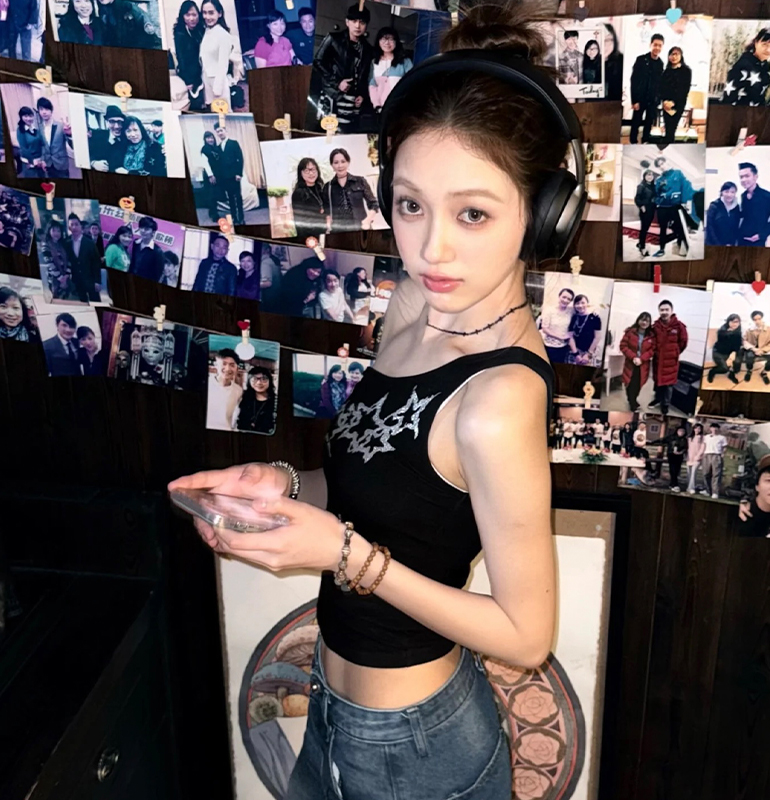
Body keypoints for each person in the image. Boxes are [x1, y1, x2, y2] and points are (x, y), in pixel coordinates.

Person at [170, 5, 574, 796]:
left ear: (545, 216)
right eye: (412, 204)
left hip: (419, 749)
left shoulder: (499, 398)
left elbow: (526, 637)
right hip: (331, 702)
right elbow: (382, 493)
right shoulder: (414, 308)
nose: (431, 248)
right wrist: (286, 489)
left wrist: (344, 557)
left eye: (473, 213)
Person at [312, 3, 374, 130]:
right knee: (327, 131)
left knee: (346, 132)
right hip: (333, 95)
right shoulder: (333, 39)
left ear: (366, 25)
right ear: (347, 22)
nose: (357, 26)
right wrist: (337, 83)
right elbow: (317, 62)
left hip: (353, 100)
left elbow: (365, 75)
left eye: (362, 22)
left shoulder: (368, 48)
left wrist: (362, 94)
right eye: (354, 21)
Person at [324, 147, 380, 232]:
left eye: (343, 161)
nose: (340, 165)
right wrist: (328, 223)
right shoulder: (328, 186)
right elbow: (326, 211)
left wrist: (368, 220)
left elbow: (374, 204)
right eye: (336, 162)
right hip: (339, 231)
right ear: (332, 165)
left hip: (361, 228)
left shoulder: (360, 181)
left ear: (348, 162)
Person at [721, 27, 770, 106]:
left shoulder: (767, 66)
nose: (768, 49)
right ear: (756, 43)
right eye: (764, 44)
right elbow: (728, 98)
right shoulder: (743, 64)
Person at [649, 300, 687, 415]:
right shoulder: (655, 326)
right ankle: (657, 399)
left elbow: (683, 342)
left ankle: (665, 405)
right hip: (658, 360)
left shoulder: (679, 326)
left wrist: (674, 353)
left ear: (671, 311)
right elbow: (652, 341)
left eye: (667, 310)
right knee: (658, 381)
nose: (664, 312)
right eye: (662, 310)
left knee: (668, 385)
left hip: (671, 361)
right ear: (659, 311)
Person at [652, 155, 694, 258]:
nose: (661, 166)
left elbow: (685, 187)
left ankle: (682, 247)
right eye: (659, 166)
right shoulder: (659, 179)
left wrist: (685, 201)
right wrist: (658, 202)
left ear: (667, 162)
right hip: (663, 207)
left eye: (662, 163)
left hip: (676, 206)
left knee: (680, 227)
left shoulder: (678, 173)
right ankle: (661, 249)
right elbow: (656, 193)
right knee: (662, 229)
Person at [200, 0, 240, 109]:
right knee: (213, 113)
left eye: (211, 13)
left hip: (218, 81)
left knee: (224, 114)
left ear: (220, 13)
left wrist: (217, 88)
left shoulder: (223, 35)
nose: (207, 17)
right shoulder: (207, 31)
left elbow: (223, 64)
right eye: (204, 12)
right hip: (206, 79)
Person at [629, 34, 664, 144]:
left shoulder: (660, 64)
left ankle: (645, 141)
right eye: (655, 45)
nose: (657, 47)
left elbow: (660, 83)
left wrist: (658, 99)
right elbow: (634, 80)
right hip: (640, 98)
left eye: (660, 45)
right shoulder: (641, 60)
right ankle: (633, 142)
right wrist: (634, 100)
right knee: (636, 122)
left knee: (649, 123)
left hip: (653, 100)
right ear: (650, 45)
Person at [368, 28, 413, 114]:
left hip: (400, 108)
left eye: (391, 39)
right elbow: (372, 85)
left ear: (396, 42)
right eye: (383, 39)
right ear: (378, 41)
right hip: (381, 109)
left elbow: (410, 83)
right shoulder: (375, 62)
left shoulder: (405, 61)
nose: (387, 43)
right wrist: (377, 105)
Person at [620, 311, 655, 412]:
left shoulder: (651, 335)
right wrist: (633, 357)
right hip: (631, 363)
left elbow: (652, 350)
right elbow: (623, 346)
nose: (644, 322)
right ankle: (632, 402)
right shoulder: (630, 332)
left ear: (649, 323)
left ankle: (633, 399)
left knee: (638, 384)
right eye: (642, 320)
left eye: (647, 321)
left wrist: (642, 359)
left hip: (643, 365)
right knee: (630, 383)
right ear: (638, 320)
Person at [173, 0, 205, 111]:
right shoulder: (179, 33)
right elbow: (181, 58)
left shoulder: (202, 29)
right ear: (182, 16)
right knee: (194, 106)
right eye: (188, 15)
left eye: (194, 15)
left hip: (202, 70)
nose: (191, 18)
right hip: (188, 73)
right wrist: (188, 81)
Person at [738, 162, 770, 247]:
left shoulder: (767, 196)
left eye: (747, 176)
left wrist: (761, 235)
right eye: (741, 177)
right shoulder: (743, 196)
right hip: (742, 239)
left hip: (757, 241)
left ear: (755, 177)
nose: (743, 180)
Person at [658, 47, 692, 147]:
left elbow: (684, 89)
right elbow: (661, 88)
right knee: (667, 127)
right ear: (669, 56)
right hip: (666, 104)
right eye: (672, 54)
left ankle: (667, 146)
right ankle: (667, 145)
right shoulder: (666, 71)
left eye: (677, 54)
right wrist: (664, 101)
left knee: (672, 127)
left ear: (681, 56)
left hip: (678, 103)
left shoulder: (686, 71)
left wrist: (673, 102)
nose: (674, 56)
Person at [212, 123, 245, 226]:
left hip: (234, 176)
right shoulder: (218, 147)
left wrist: (239, 173)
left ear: (225, 131)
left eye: (221, 130)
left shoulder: (233, 143)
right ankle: (234, 217)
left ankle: (241, 218)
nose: (220, 133)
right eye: (218, 131)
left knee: (238, 197)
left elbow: (240, 159)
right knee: (230, 198)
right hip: (224, 177)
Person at [66, 213, 102, 302]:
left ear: (80, 226)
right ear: (69, 227)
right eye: (71, 225)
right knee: (82, 302)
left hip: (91, 280)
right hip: (76, 281)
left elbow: (96, 263)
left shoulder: (89, 243)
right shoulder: (66, 242)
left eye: (76, 224)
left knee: (96, 302)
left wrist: (97, 281)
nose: (74, 227)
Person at [206, 347, 243, 430]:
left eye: (232, 365)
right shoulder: (206, 384)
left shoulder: (238, 390)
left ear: (237, 368)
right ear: (216, 365)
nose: (228, 369)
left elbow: (236, 415)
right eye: (224, 363)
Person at [291, 157, 327, 239]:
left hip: (323, 233)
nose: (311, 173)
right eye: (307, 171)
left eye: (313, 169)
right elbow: (300, 221)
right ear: (301, 173)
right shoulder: (298, 193)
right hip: (309, 236)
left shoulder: (320, 188)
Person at [738, 310, 770, 386]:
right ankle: (749, 370)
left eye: (759, 319)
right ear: (752, 320)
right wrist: (753, 348)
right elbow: (744, 341)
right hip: (752, 348)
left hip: (764, 349)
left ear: (763, 318)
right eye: (755, 320)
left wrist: (762, 350)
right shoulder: (749, 330)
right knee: (749, 357)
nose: (757, 321)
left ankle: (764, 372)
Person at [234, 366, 276, 434]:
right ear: (249, 381)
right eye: (254, 379)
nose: (259, 382)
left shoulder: (276, 401)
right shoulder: (243, 398)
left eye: (264, 379)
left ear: (270, 381)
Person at [36, 97, 71, 179]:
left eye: (46, 109)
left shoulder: (61, 126)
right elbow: (42, 146)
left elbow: (72, 145)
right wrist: (42, 160)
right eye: (41, 109)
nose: (44, 112)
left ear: (51, 110)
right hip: (48, 164)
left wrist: (69, 134)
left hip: (61, 163)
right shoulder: (40, 128)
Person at [88, 104, 127, 173]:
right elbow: (85, 153)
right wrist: (93, 163)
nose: (116, 126)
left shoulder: (128, 139)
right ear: (107, 122)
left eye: (119, 122)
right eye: (112, 122)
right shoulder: (97, 135)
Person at [539, 287, 574, 363]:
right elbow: (544, 328)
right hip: (549, 346)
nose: (565, 300)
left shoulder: (571, 311)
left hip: (563, 346)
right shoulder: (549, 310)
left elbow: (584, 307)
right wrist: (560, 337)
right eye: (564, 297)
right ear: (559, 296)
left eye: (569, 299)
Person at [707, 313, 743, 385]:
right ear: (728, 322)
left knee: (737, 364)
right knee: (724, 369)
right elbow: (725, 344)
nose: (734, 324)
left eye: (736, 322)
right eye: (732, 321)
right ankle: (712, 372)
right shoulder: (722, 331)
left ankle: (731, 375)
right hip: (720, 352)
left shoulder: (738, 332)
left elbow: (738, 345)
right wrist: (732, 333)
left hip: (731, 351)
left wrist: (733, 354)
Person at [42, 312, 82, 377]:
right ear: (57, 326)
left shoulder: (77, 342)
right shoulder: (46, 346)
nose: (68, 330)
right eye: (64, 325)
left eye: (71, 326)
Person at [566, 294, 602, 365]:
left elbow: (597, 337)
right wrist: (576, 354)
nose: (580, 305)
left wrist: (588, 354)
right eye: (577, 303)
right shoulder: (574, 317)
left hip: (589, 353)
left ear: (587, 304)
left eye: (583, 303)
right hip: (574, 352)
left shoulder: (595, 318)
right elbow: (570, 336)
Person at [43, 219, 74, 300]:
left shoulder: (62, 244)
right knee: (57, 299)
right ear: (49, 231)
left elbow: (69, 260)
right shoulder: (46, 245)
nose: (56, 233)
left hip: (65, 276)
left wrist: (67, 275)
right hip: (54, 279)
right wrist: (60, 278)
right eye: (54, 230)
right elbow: (49, 263)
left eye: (59, 231)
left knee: (67, 298)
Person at [652, 424, 688, 491]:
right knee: (672, 470)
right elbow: (662, 440)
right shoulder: (671, 437)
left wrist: (681, 452)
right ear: (677, 431)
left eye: (683, 431)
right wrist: (652, 442)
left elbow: (686, 448)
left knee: (677, 470)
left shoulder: (684, 440)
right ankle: (675, 484)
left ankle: (672, 484)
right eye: (680, 431)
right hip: (671, 455)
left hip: (679, 456)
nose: (681, 432)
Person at [130, 216, 165, 282]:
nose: (143, 231)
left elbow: (157, 275)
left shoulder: (157, 252)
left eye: (146, 229)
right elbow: (133, 263)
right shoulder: (136, 243)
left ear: (153, 232)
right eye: (141, 228)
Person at [705, 181, 741, 246]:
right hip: (713, 244)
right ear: (722, 192)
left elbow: (736, 228)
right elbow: (710, 228)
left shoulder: (736, 207)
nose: (729, 195)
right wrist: (719, 245)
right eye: (726, 191)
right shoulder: (714, 206)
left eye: (732, 192)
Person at [634, 168, 657, 258]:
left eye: (651, 175)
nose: (650, 176)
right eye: (648, 175)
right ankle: (642, 246)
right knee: (644, 228)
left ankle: (640, 242)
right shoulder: (641, 186)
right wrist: (641, 206)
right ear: (644, 176)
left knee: (646, 228)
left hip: (652, 209)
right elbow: (637, 198)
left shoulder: (653, 186)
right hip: (644, 209)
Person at [200, 129, 222, 219]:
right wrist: (211, 175)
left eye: (211, 138)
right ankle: (214, 215)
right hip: (210, 175)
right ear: (205, 140)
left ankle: (212, 212)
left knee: (216, 194)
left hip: (218, 174)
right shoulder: (205, 149)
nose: (210, 140)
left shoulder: (217, 148)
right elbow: (205, 163)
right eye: (208, 138)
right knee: (211, 195)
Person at [700, 422, 726, 498]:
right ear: (710, 429)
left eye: (716, 428)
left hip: (716, 455)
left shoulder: (722, 437)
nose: (714, 429)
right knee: (705, 473)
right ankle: (708, 490)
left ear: (718, 429)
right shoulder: (706, 437)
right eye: (713, 428)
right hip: (707, 455)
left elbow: (724, 447)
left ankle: (715, 492)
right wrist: (702, 454)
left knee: (716, 474)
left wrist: (722, 454)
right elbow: (704, 445)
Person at [17, 106, 44, 177]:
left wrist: (42, 159)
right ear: (21, 117)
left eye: (30, 116)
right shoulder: (20, 130)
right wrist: (33, 161)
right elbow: (24, 148)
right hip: (29, 162)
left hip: (40, 161)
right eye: (25, 116)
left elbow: (42, 144)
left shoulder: (35, 129)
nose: (28, 118)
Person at [602, 22, 623, 102]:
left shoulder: (622, 61)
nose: (604, 44)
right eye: (600, 39)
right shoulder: (588, 62)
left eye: (608, 40)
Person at [686, 422, 705, 495]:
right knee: (689, 473)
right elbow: (688, 448)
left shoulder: (702, 437)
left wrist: (698, 456)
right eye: (696, 428)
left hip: (697, 457)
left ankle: (692, 488)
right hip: (689, 457)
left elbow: (702, 448)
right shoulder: (690, 437)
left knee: (694, 473)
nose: (697, 430)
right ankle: (688, 487)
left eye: (699, 428)